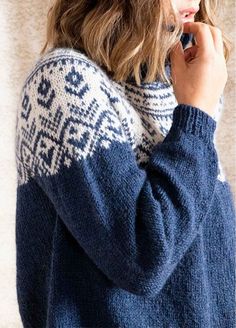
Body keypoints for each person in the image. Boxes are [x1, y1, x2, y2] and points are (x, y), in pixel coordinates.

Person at [15, 0, 235, 327]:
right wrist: (197, 118)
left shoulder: (184, 90)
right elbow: (143, 261)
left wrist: (196, 110)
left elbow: (214, 280)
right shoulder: (64, 80)